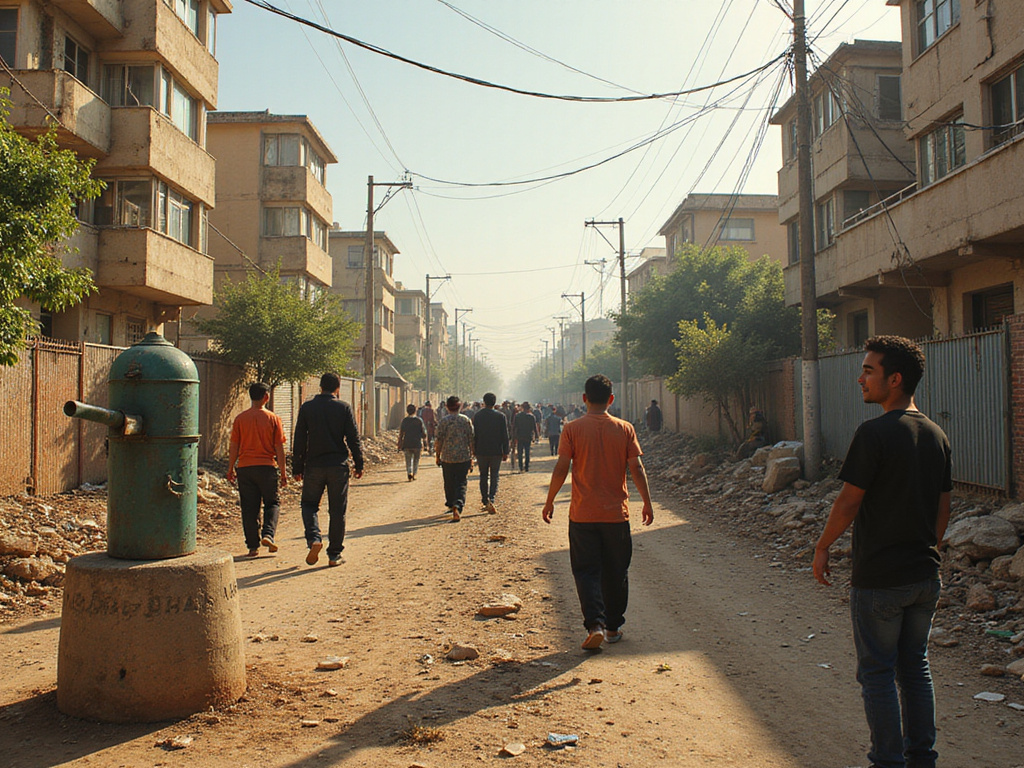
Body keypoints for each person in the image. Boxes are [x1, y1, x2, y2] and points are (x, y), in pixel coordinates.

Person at [813, 336, 951, 768]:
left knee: (876, 673)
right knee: (915, 668)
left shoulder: (873, 433)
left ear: (895, 379)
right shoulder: (936, 434)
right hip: (924, 576)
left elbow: (849, 501)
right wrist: (929, 547)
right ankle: (922, 758)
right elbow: (943, 507)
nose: (860, 379)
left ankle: (887, 761)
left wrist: (822, 546)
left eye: (868, 371)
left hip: (880, 581)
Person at [542, 374, 654, 651]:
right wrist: (647, 502)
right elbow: (636, 468)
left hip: (582, 515)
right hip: (616, 515)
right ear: (611, 399)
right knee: (616, 570)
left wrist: (550, 500)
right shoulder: (625, 428)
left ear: (584, 399)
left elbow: (561, 467)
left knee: (586, 571)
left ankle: (595, 624)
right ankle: (614, 627)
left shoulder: (572, 429)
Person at [293, 372, 365, 567]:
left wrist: (296, 467)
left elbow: (299, 439)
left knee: (309, 505)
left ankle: (314, 538)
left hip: (314, 466)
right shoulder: (344, 408)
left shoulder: (307, 407)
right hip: (338, 466)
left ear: (320, 387)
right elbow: (353, 438)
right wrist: (359, 464)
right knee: (337, 511)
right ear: (338, 387)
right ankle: (334, 555)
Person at [225, 382, 288, 557]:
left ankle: (253, 546)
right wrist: (283, 472)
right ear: (266, 397)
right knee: (272, 503)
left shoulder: (240, 419)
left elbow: (234, 446)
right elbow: (279, 448)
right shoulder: (273, 419)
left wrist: (231, 468)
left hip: (245, 468)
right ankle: (268, 534)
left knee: (249, 507)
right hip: (267, 468)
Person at [435, 395, 474, 522]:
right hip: (463, 457)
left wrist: (437, 455)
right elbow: (471, 439)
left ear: (447, 407)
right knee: (461, 483)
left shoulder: (443, 421)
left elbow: (439, 440)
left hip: (447, 457)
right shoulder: (466, 420)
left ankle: (451, 503)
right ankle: (458, 504)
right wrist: (472, 456)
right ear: (460, 406)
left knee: (449, 482)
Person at [472, 392, 510, 514]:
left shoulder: (477, 416)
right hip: (496, 451)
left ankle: (485, 499)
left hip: (481, 450)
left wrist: (473, 450)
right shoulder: (500, 416)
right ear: (494, 402)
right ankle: (491, 498)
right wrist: (506, 451)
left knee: (483, 476)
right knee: (494, 475)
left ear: (484, 402)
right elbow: (505, 435)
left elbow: (474, 435)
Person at [398, 404, 426, 481]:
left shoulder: (405, 421)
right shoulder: (419, 420)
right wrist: (425, 442)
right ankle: (414, 473)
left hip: (407, 443)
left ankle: (409, 473)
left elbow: (401, 434)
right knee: (416, 460)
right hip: (417, 444)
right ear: (415, 411)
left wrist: (399, 444)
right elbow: (424, 433)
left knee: (408, 460)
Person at [513, 401, 539, 472]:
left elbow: (515, 427)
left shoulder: (518, 416)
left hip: (520, 436)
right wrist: (536, 436)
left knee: (520, 452)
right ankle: (526, 466)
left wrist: (513, 437)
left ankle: (521, 467)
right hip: (528, 436)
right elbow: (534, 427)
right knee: (527, 452)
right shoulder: (531, 417)